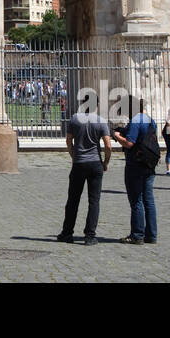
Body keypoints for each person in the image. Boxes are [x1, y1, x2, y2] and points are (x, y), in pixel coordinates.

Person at [55, 92, 112, 245]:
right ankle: (90, 235)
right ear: (96, 105)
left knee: (73, 199)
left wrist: (74, 156)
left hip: (79, 163)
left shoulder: (75, 119)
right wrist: (105, 162)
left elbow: (68, 141)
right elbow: (108, 145)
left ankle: (67, 233)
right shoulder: (101, 121)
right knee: (94, 201)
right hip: (95, 163)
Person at [113, 98, 159, 244]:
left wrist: (117, 136)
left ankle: (137, 234)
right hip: (149, 163)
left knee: (136, 200)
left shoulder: (135, 121)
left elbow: (129, 143)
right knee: (148, 200)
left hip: (135, 164)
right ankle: (151, 235)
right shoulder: (150, 120)